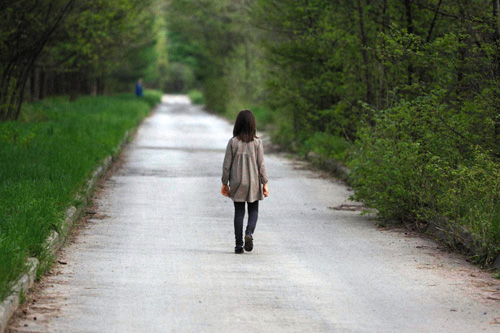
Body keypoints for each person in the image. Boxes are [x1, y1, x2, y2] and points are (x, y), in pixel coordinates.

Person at [221, 109, 269, 254]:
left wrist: (225, 182)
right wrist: (264, 182)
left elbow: (226, 165)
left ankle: (238, 245)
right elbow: (261, 164)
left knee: (239, 211)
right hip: (254, 182)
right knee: (253, 209)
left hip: (237, 183)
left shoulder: (233, 142)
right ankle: (249, 233)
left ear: (238, 124)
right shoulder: (257, 143)